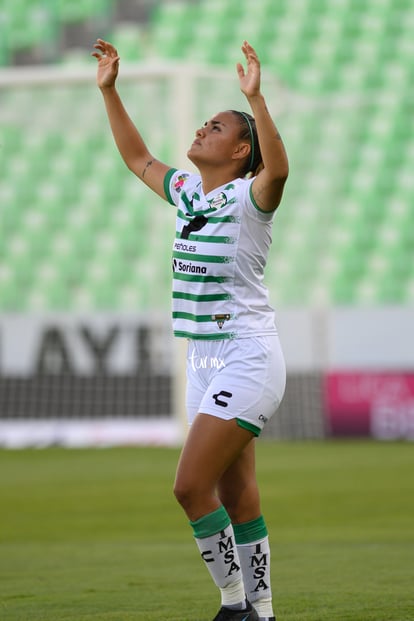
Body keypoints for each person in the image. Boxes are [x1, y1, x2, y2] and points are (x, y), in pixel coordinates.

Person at [92, 37, 288, 621]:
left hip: (247, 354)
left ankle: (233, 607)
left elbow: (278, 168)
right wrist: (110, 91)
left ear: (240, 150)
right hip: (203, 358)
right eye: (204, 122)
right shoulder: (185, 194)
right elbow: (136, 158)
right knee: (236, 492)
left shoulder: (250, 199)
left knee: (188, 486)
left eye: (217, 127)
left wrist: (256, 101)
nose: (203, 129)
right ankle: (265, 610)